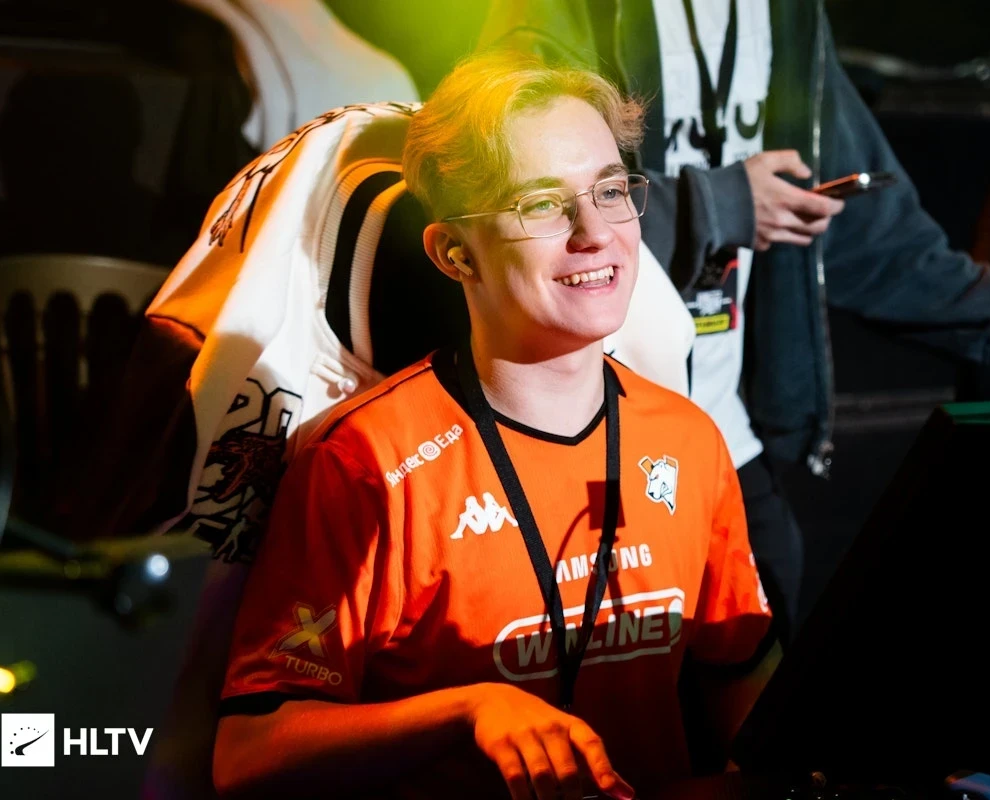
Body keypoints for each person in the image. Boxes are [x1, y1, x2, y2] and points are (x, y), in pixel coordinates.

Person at [475, 0, 990, 643]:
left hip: (723, 436)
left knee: (763, 663)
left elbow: (866, 226)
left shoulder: (784, 11)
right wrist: (720, 204)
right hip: (591, 440)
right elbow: (511, 194)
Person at [212, 52, 775, 799]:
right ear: (454, 253)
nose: (594, 232)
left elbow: (744, 679)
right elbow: (245, 757)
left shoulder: (688, 438)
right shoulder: (366, 462)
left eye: (610, 190)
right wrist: (468, 711)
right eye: (541, 204)